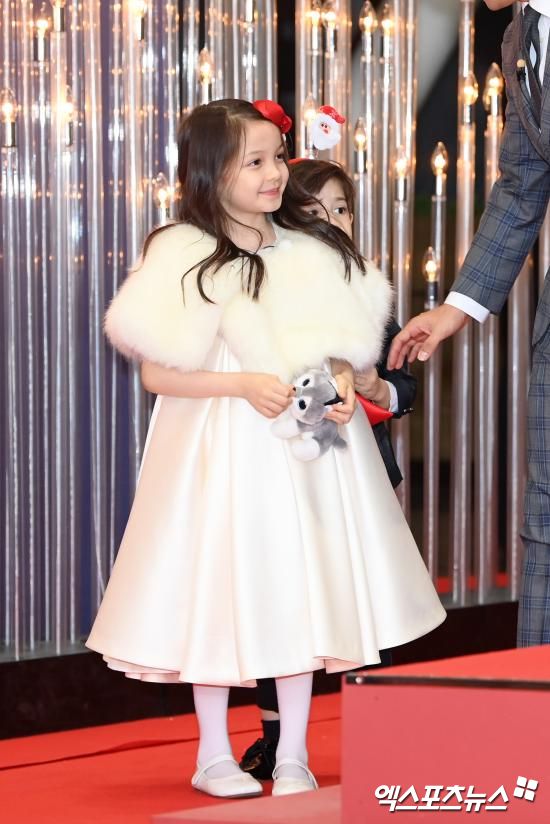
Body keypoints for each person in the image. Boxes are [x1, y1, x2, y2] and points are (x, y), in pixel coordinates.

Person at [87, 98, 445, 800]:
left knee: (301, 585)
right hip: (217, 449)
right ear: (209, 171)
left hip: (303, 450)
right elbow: (158, 373)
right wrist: (242, 384)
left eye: (276, 158)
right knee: (216, 586)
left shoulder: (310, 252)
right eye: (253, 162)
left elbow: (341, 354)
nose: (274, 173)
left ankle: (294, 754)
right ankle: (213, 752)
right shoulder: (181, 252)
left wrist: (343, 384)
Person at [239, 158, 417, 780]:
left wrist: (374, 386)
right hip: (287, 472)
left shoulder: (367, 286)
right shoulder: (266, 284)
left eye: (341, 209)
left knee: (372, 597)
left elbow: (403, 386)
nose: (331, 221)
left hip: (364, 477)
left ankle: (384, 732)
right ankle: (276, 737)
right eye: (314, 211)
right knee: (282, 600)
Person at [388, 0, 550, 648]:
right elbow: (521, 184)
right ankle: (538, 691)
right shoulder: (519, 35)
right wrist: (456, 308)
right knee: (545, 516)